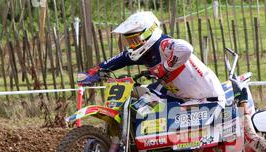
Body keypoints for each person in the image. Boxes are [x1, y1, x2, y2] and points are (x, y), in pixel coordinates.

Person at [78, 11, 226, 107]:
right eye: (128, 41)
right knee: (140, 97)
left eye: (134, 40)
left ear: (148, 34)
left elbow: (186, 48)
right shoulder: (142, 53)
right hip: (184, 98)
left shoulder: (163, 45)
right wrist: (96, 71)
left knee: (148, 101)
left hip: (208, 98)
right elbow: (119, 59)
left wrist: (165, 67)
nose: (130, 45)